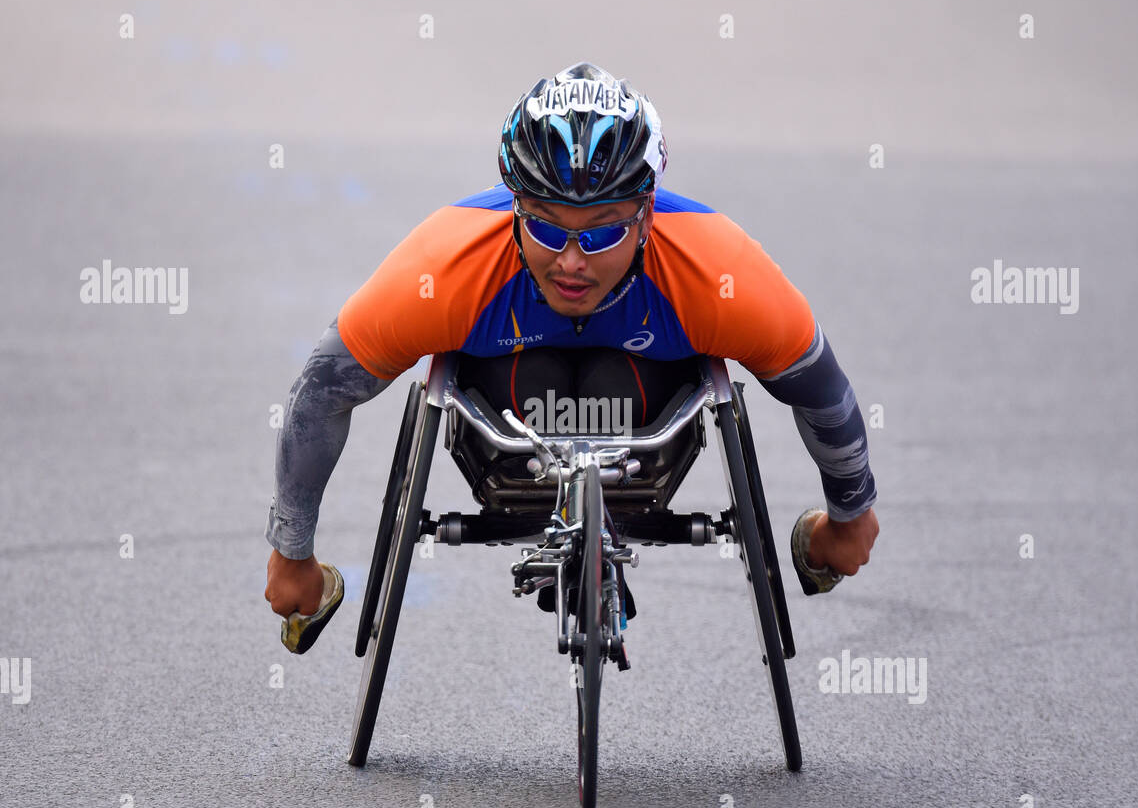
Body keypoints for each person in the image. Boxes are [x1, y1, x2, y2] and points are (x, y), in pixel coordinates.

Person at [264, 62, 879, 654]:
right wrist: (291, 555)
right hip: (504, 428)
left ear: (646, 216)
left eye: (605, 230)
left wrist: (849, 521)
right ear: (514, 208)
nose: (573, 261)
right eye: (548, 228)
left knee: (611, 374)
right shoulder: (444, 266)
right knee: (541, 373)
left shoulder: (718, 268)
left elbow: (819, 388)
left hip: (648, 430)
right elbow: (321, 392)